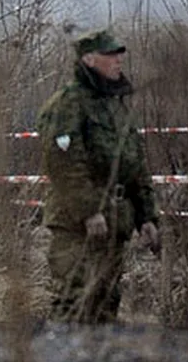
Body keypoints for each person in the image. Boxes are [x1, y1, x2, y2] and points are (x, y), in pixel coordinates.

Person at [36, 28, 161, 323]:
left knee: (106, 303)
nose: (118, 60)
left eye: (119, 55)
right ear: (90, 59)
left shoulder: (115, 107)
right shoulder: (67, 104)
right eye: (110, 55)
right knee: (75, 301)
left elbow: (134, 163)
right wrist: (89, 210)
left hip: (115, 222)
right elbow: (64, 163)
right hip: (77, 226)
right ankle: (63, 353)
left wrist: (146, 216)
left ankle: (100, 354)